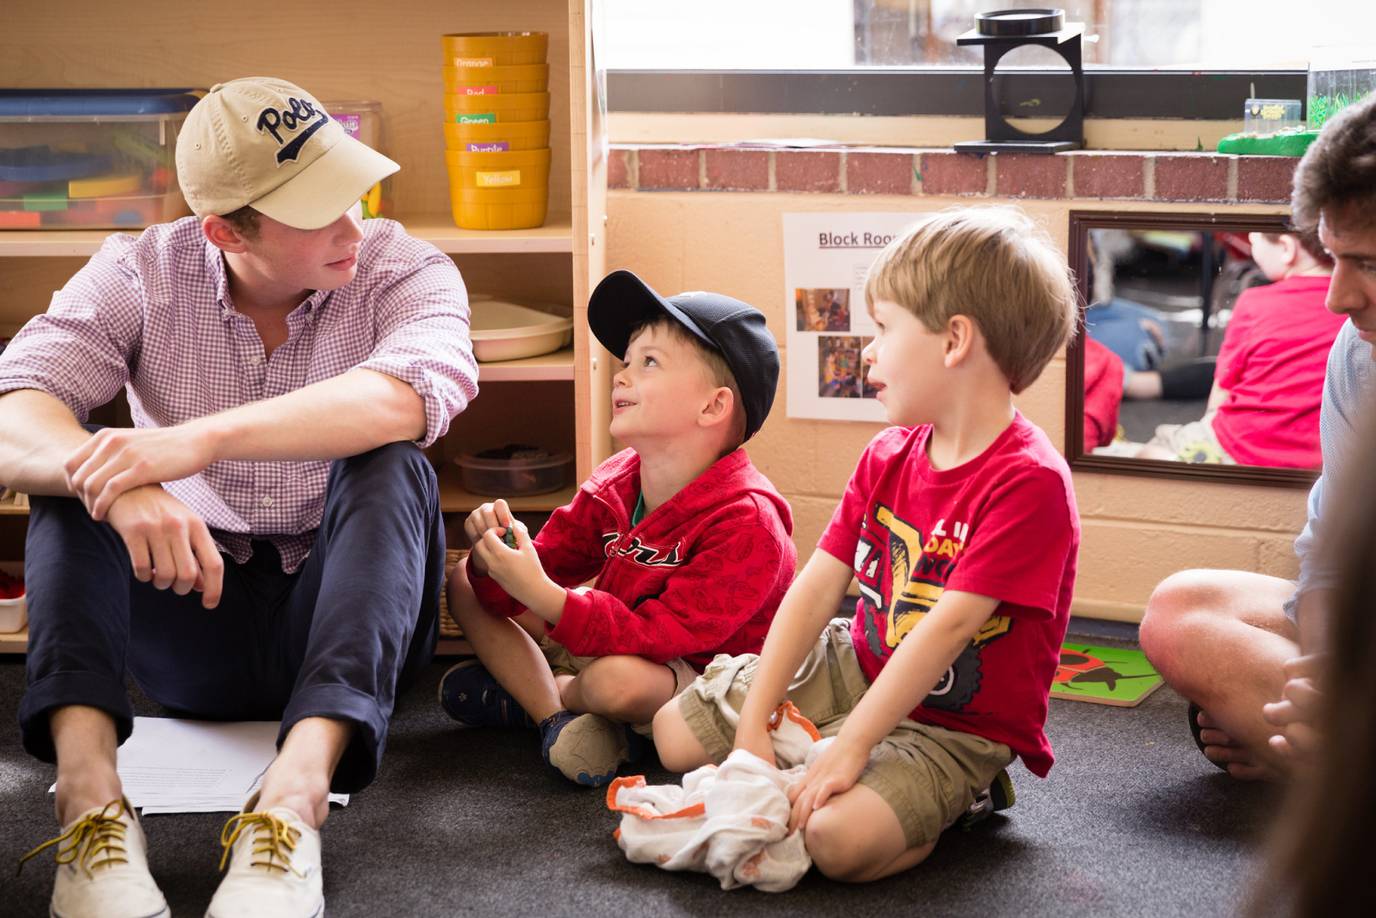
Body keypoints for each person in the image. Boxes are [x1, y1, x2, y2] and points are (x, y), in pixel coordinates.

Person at [4, 78, 478, 918]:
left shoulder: (402, 264)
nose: (351, 227)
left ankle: (292, 810)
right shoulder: (140, 270)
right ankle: (90, 809)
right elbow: (15, 408)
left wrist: (198, 439)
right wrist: (123, 487)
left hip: (350, 624)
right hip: (196, 604)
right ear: (224, 232)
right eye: (317, 209)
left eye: (352, 191)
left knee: (394, 461)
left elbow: (412, 392)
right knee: (79, 477)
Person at [652, 206, 1081, 883]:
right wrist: (753, 726)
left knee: (836, 841)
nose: (869, 349)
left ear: (954, 340)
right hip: (861, 661)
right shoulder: (887, 453)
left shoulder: (1030, 484)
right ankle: (818, 741)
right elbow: (819, 586)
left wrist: (851, 747)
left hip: (953, 720)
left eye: (883, 328)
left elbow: (947, 632)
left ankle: (958, 793)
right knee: (673, 734)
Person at [440, 269, 795, 787]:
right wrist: (503, 558)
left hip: (695, 675)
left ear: (713, 405)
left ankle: (544, 694)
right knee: (465, 579)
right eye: (625, 362)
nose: (621, 375)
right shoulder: (616, 479)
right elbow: (544, 572)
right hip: (609, 632)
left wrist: (544, 596)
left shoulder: (749, 521)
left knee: (616, 683)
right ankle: (554, 719)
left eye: (648, 362)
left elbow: (659, 636)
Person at [1138, 91, 1376, 781]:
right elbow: (1331, 556)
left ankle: (1314, 758)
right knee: (1180, 611)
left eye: (1369, 264)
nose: (1337, 297)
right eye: (1332, 258)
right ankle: (1325, 750)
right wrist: (1323, 679)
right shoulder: (1357, 352)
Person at [1134, 230, 1339, 468]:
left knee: (1150, 451)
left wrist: (1208, 426)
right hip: (1324, 461)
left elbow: (1222, 387)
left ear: (1286, 249)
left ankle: (1193, 466)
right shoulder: (1357, 308)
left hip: (1241, 446)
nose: (1250, 240)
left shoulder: (1255, 302)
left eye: (1256, 237)